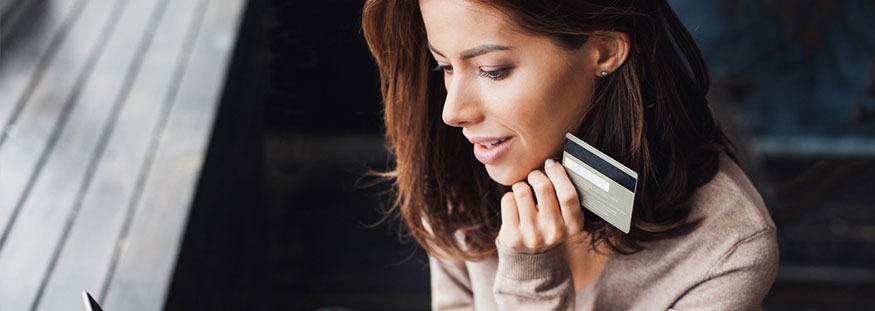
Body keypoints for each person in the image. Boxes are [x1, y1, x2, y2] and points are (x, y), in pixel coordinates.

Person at [361, 0, 779, 310]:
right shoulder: (455, 166)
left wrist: (531, 279)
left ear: (604, 51)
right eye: (444, 67)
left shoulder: (727, 247)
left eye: (492, 70)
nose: (452, 112)